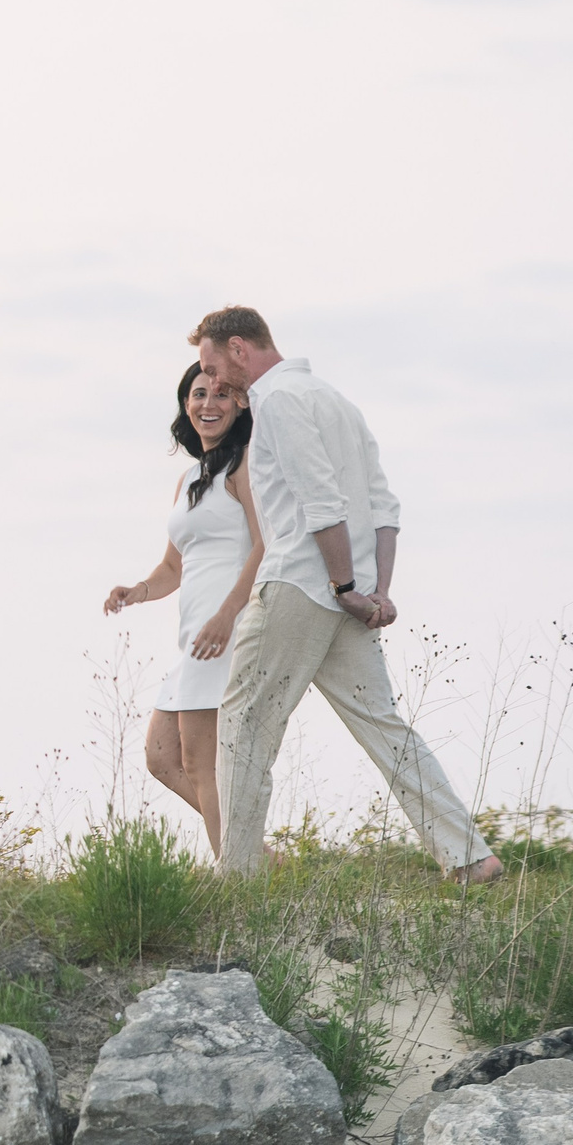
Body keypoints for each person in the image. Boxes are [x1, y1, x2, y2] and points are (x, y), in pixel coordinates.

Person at [191, 305, 503, 883]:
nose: (213, 381)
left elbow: (321, 503)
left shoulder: (280, 400)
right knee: (381, 724)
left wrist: (343, 587)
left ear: (239, 348)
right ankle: (468, 856)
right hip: (345, 595)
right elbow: (384, 506)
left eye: (212, 364)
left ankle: (235, 879)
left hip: (301, 586)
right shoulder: (337, 401)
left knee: (245, 721)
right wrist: (374, 590)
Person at [104, 363, 264, 852]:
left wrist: (227, 614)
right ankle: (252, 853)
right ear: (185, 404)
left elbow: (266, 544)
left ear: (240, 405)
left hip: (227, 630)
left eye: (220, 395)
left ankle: (236, 875)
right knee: (161, 756)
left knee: (201, 763)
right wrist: (136, 590)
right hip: (195, 636)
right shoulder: (190, 478)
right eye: (198, 394)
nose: (207, 404)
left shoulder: (245, 465)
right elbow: (173, 568)